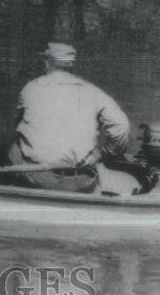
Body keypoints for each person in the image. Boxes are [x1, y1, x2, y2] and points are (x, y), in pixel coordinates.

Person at [7, 42, 131, 192]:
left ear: (47, 63)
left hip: (41, 178)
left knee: (15, 143)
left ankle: (16, 191)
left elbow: (17, 124)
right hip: (83, 180)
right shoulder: (93, 91)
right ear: (72, 66)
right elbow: (121, 125)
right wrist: (109, 155)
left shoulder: (31, 88)